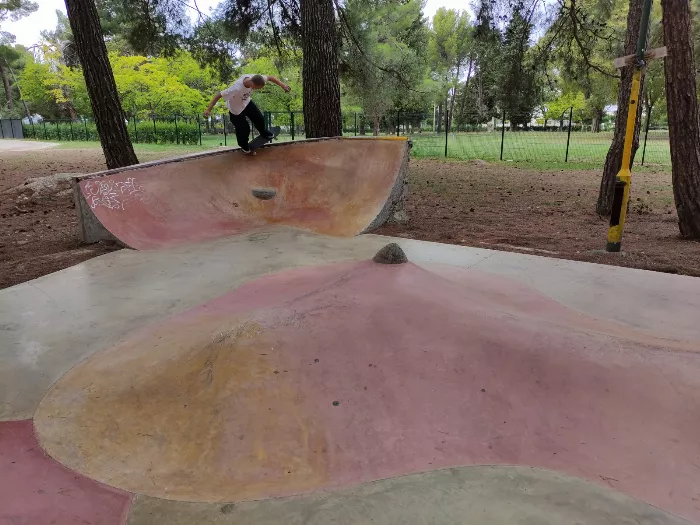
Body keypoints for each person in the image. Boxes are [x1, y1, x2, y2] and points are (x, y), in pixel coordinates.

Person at [204, 74, 291, 154]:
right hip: (236, 110)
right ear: (253, 85)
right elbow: (218, 95)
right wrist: (208, 109)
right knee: (244, 129)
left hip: (247, 103)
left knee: (259, 118)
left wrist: (283, 86)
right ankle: (244, 146)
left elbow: (270, 77)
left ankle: (264, 132)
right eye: (257, 88)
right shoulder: (236, 88)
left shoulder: (256, 78)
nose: (256, 90)